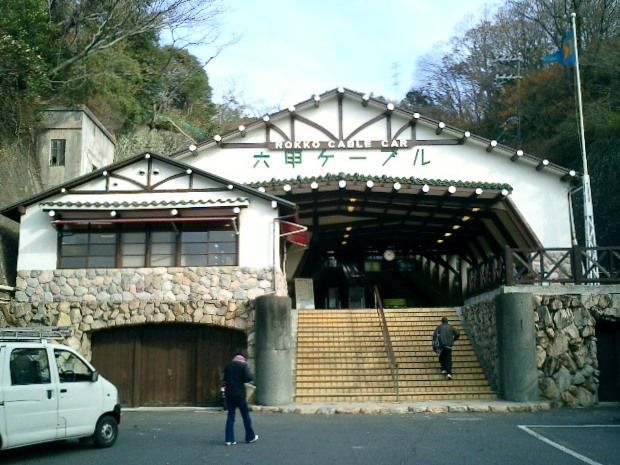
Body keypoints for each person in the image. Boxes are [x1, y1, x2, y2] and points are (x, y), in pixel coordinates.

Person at [223, 348, 259, 446]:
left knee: (231, 416)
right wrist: (242, 379)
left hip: (229, 393)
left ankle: (229, 439)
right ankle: (250, 436)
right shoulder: (243, 365)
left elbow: (224, 378)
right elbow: (249, 377)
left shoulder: (229, 365)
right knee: (245, 415)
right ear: (245, 356)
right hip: (239, 394)